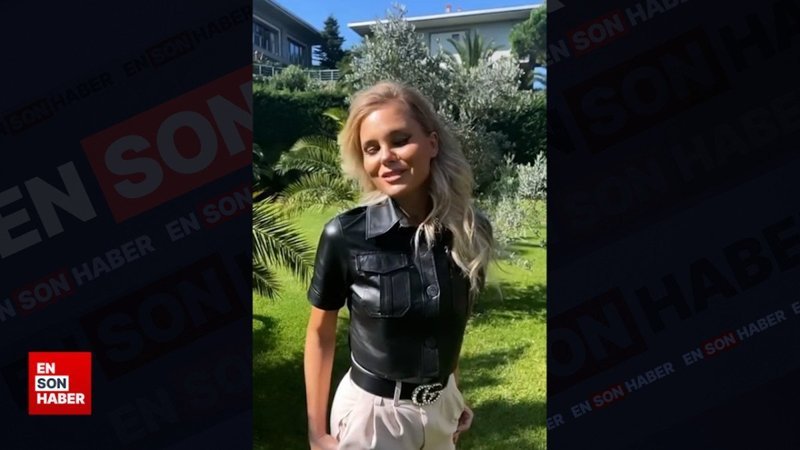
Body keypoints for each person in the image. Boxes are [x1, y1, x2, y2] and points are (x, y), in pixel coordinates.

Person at [303, 81, 494, 450]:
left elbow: (447, 324)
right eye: (371, 148)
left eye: (400, 140)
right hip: (372, 421)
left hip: (443, 409)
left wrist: (451, 392)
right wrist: (316, 430)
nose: (385, 157)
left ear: (432, 144)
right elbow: (320, 334)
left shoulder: (470, 230)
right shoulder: (345, 236)